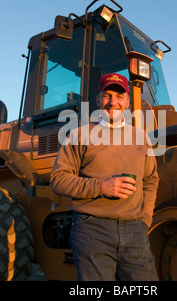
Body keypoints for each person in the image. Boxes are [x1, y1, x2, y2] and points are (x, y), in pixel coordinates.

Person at [50, 73, 160, 281]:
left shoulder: (140, 137)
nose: (113, 102)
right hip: (92, 230)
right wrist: (101, 187)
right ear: (98, 99)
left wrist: (145, 219)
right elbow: (58, 179)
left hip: (135, 229)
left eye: (119, 97)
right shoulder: (78, 135)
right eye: (107, 95)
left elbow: (151, 180)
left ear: (127, 102)